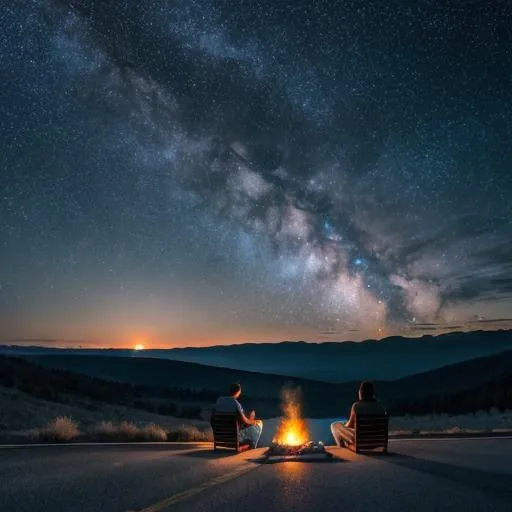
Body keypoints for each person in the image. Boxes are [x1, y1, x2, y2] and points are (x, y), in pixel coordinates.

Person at [330, 381, 386, 447]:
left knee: (335, 425)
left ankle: (341, 446)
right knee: (342, 425)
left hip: (360, 439)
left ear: (361, 393)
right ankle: (345, 443)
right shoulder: (380, 407)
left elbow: (349, 425)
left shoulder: (357, 406)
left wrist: (343, 425)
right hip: (377, 439)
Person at [211, 382, 264, 449]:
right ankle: (253, 447)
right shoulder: (235, 404)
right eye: (240, 391)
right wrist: (253, 422)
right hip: (235, 438)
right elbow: (245, 421)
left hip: (220, 438)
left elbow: (212, 419)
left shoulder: (219, 401)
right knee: (259, 424)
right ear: (238, 392)